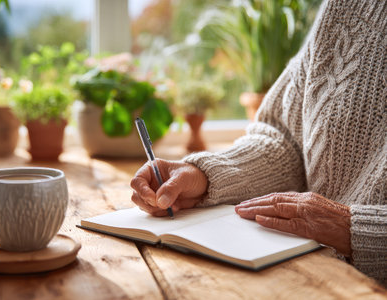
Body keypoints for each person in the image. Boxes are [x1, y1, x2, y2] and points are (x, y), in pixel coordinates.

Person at [130, 0, 386, 286]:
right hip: (301, 273)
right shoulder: (347, 7)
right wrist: (206, 175)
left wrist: (355, 229)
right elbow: (285, 136)